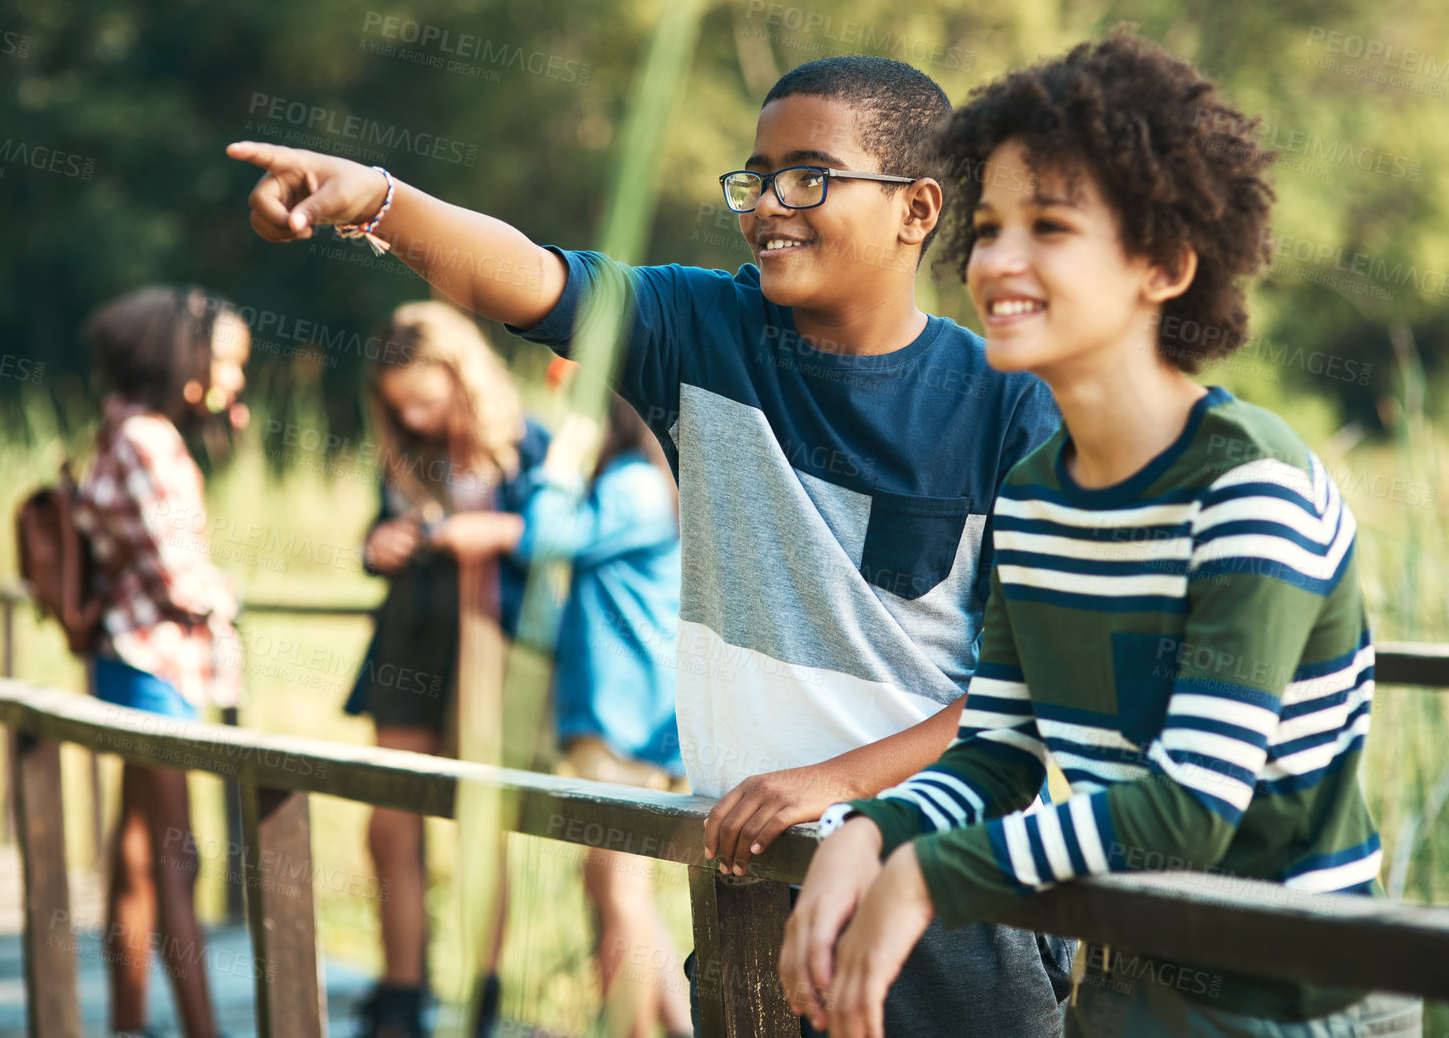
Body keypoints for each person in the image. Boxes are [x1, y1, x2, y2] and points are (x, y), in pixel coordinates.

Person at [229, 52, 1072, 1038]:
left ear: (917, 210)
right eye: (753, 179)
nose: (767, 206)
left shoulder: (1012, 406)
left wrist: (827, 787)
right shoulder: (705, 333)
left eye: (808, 176)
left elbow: (1036, 693)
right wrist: (376, 198)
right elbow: (532, 278)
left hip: (939, 897)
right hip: (751, 886)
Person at [785, 29, 1423, 1038]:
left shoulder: (1249, 487)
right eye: (988, 226)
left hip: (1292, 1001)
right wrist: (868, 834)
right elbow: (996, 754)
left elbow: (1187, 809)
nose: (997, 260)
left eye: (1050, 227)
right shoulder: (1037, 496)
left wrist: (922, 879)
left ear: (1164, 264)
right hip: (1123, 984)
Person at [344, 301, 548, 1038]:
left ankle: (479, 993)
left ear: (465, 379)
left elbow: (567, 534)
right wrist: (380, 544)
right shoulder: (404, 453)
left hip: (491, 646)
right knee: (389, 820)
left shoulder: (529, 446)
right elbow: (375, 534)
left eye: (428, 400)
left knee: (478, 826)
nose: (419, 418)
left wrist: (493, 531)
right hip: (408, 640)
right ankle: (402, 990)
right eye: (402, 407)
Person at [75, 285, 251, 1038]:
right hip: (153, 667)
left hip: (127, 660)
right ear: (185, 362)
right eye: (229, 364)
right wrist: (225, 595)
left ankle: (127, 1020)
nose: (236, 380)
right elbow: (178, 575)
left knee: (140, 850)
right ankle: (200, 1026)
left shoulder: (122, 430)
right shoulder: (151, 440)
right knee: (179, 858)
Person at [519, 377, 692, 1038]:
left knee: (615, 886)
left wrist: (559, 465)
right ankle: (678, 1028)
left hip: (621, 720)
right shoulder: (648, 481)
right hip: (629, 716)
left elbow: (541, 538)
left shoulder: (632, 484)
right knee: (622, 889)